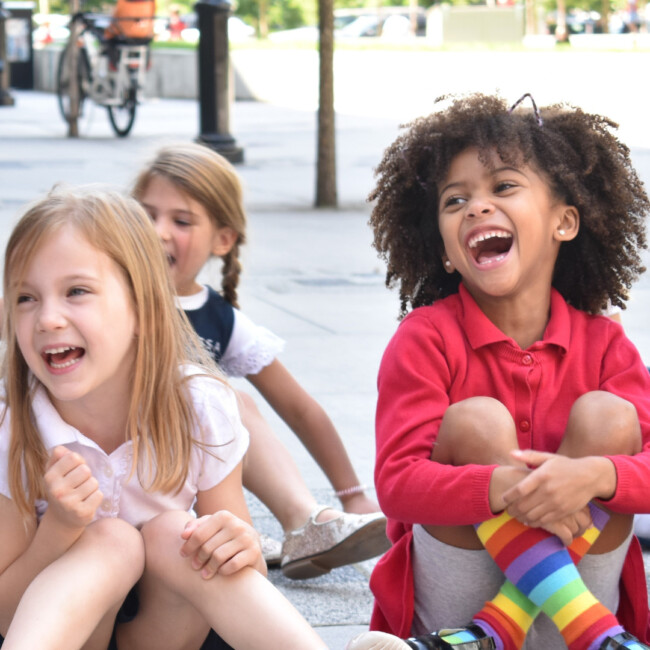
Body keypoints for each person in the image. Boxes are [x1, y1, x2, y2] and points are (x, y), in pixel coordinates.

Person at [346, 93, 650, 650]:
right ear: (443, 250)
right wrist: (503, 487)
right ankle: (600, 637)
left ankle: (498, 631)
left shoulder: (606, 344)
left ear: (564, 222)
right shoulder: (425, 338)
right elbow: (396, 485)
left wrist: (596, 475)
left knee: (610, 416)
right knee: (478, 422)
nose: (476, 207)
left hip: (552, 612)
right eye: (454, 199)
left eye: (503, 187)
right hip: (455, 598)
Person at [0, 186, 329, 650]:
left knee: (179, 534)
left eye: (76, 291)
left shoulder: (201, 407)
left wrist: (241, 546)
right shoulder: (12, 427)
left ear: (143, 309)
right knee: (110, 542)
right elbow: (5, 611)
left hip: (165, 636)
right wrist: (59, 527)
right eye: (25, 298)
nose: (48, 318)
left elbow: (241, 579)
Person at [131, 143, 389, 579]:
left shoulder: (220, 318)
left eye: (181, 220)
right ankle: (294, 526)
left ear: (223, 239)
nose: (158, 231)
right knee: (222, 395)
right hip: (119, 470)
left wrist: (352, 495)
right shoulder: (108, 294)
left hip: (181, 482)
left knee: (229, 400)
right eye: (146, 214)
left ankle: (307, 522)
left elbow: (300, 408)